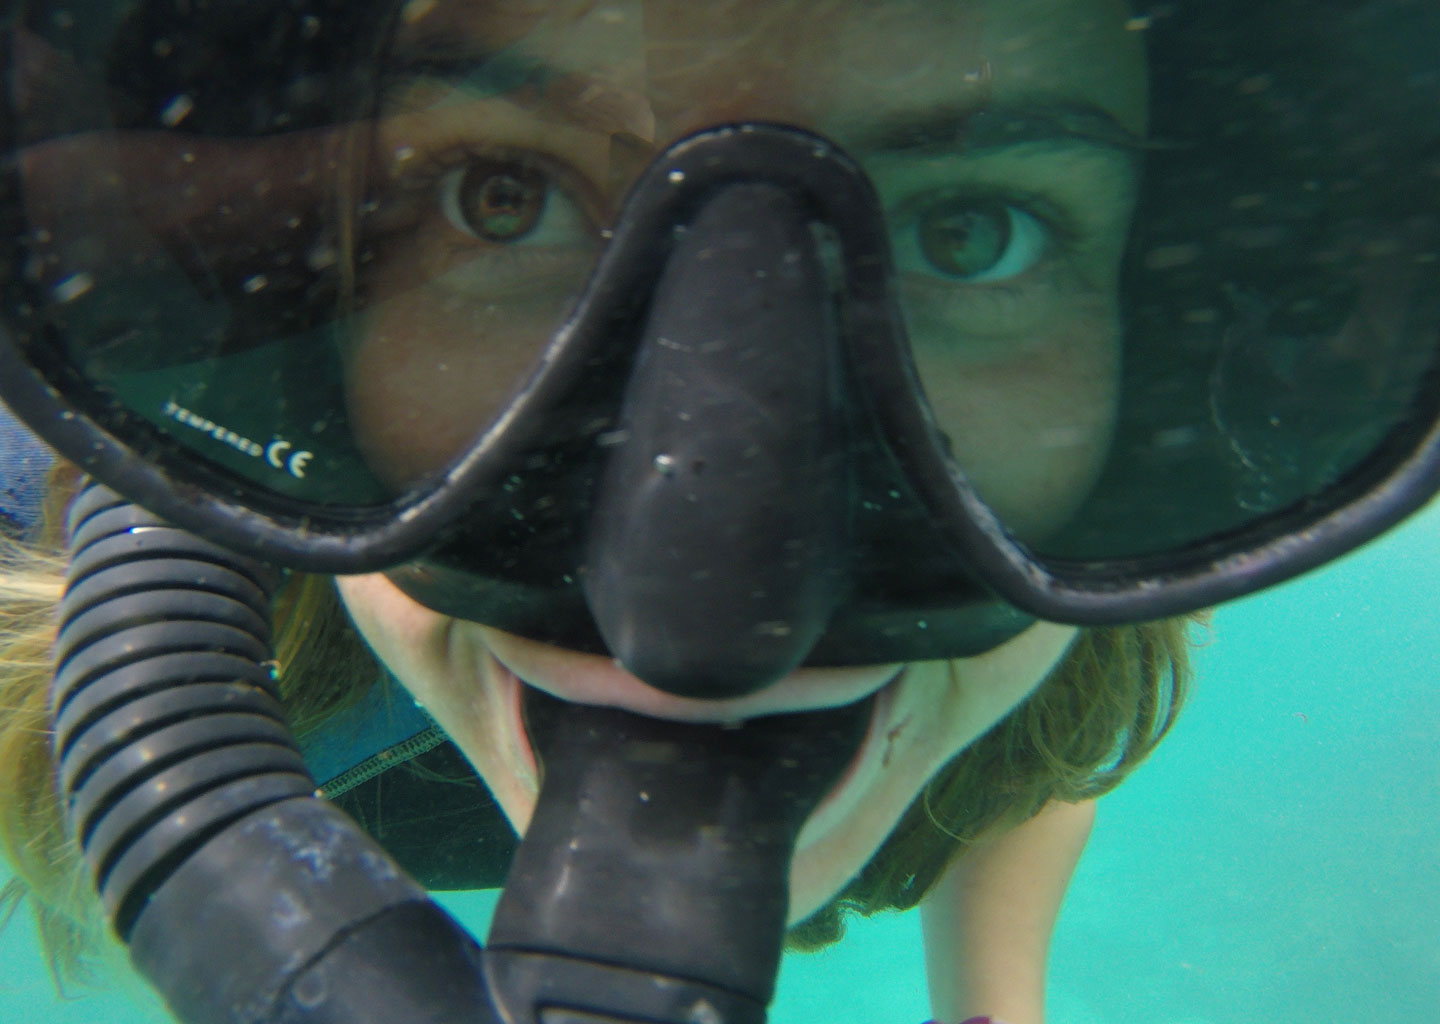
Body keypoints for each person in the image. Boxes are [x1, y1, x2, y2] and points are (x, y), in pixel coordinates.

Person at [0, 2, 1436, 1023]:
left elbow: (1045, 743)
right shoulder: (35, 598)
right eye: (501, 198)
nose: (702, 626)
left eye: (972, 233)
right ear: (301, 322)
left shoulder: (1052, 594)